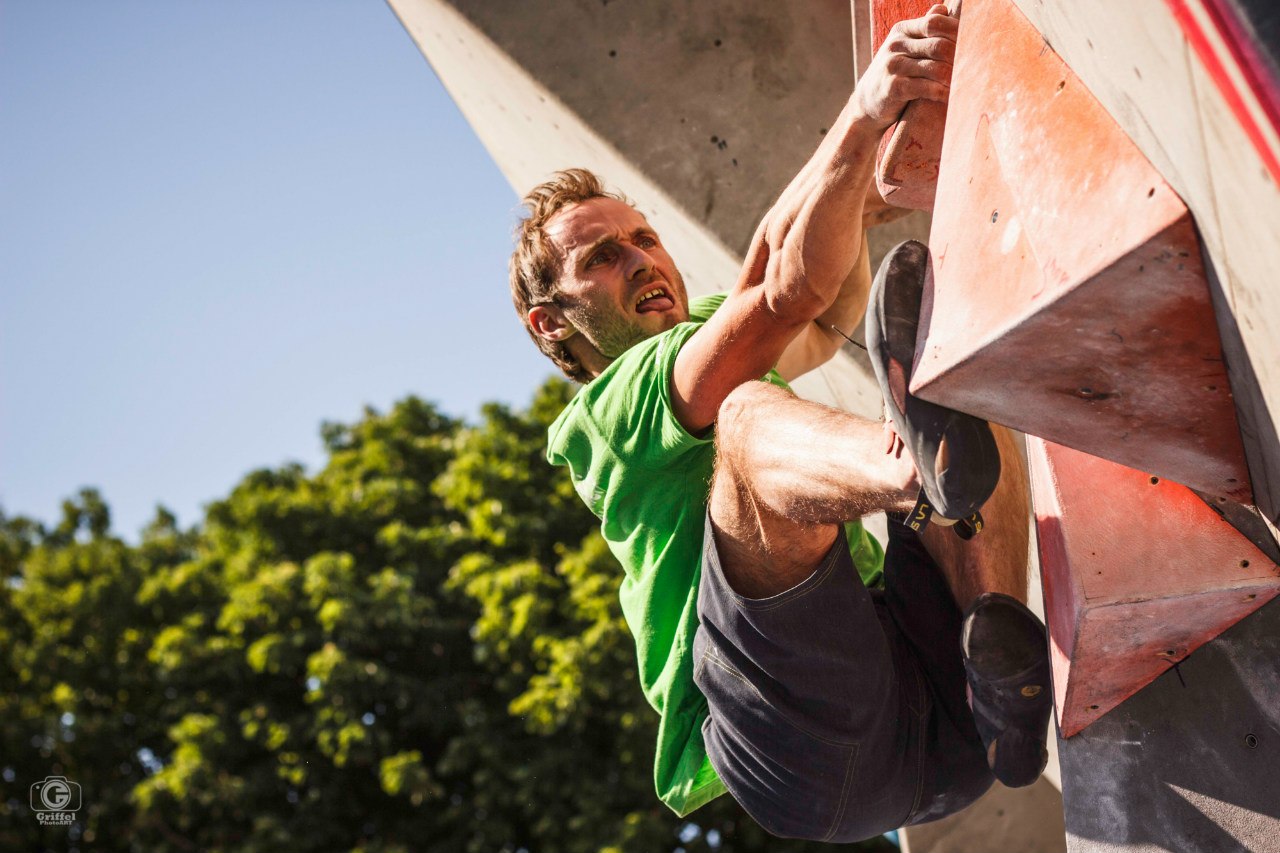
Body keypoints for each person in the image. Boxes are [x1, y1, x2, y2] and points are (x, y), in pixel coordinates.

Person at [507, 5, 1052, 842]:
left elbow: (796, 272)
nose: (642, 261)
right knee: (747, 420)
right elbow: (784, 292)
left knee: (953, 347)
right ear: (554, 324)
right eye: (602, 258)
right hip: (798, 748)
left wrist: (878, 163)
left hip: (942, 716)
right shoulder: (612, 413)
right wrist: (865, 112)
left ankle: (999, 666)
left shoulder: (706, 336)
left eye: (643, 237)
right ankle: (919, 467)